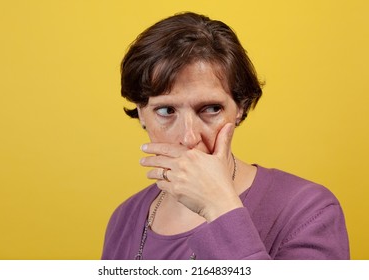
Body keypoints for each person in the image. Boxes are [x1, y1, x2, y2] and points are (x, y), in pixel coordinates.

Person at [101, 12, 349, 260]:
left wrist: (219, 206)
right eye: (166, 111)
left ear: (240, 108)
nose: (189, 138)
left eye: (210, 109)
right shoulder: (126, 218)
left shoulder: (308, 211)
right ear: (142, 114)